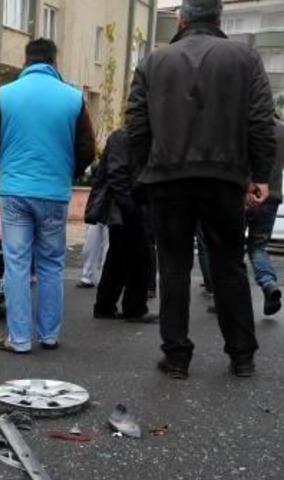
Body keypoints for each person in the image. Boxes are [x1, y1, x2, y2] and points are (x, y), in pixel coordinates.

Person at [126, 0, 277, 379]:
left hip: (166, 177)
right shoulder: (245, 58)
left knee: (173, 266)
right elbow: (260, 118)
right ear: (218, 18)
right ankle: (241, 355)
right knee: (228, 263)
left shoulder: (154, 62)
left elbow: (136, 126)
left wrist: (139, 175)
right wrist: (261, 175)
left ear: (182, 18)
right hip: (224, 176)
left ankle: (176, 356)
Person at [0, 38, 96, 353]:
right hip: (54, 193)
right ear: (54, 61)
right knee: (51, 263)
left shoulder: (6, 95)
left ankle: (18, 339)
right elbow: (87, 148)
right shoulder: (74, 98)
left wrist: (5, 171)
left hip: (15, 191)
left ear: (25, 61)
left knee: (16, 263)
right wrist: (65, 173)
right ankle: (49, 335)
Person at [85, 129, 157, 323]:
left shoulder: (125, 137)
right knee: (139, 258)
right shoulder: (125, 138)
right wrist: (130, 206)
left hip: (125, 207)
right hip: (126, 208)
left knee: (117, 259)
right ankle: (133, 308)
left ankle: (106, 306)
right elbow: (117, 174)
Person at [244, 117, 284, 316]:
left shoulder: (244, 125)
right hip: (271, 196)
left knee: (231, 250)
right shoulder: (281, 130)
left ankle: (229, 298)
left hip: (243, 196)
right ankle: (268, 284)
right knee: (258, 247)